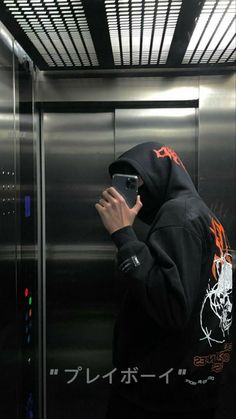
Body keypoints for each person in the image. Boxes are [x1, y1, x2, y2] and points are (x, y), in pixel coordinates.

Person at [95, 142, 233, 419]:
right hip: (194, 386)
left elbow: (171, 307)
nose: (132, 193)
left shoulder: (178, 216)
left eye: (135, 182)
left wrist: (124, 235)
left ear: (159, 177)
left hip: (157, 396)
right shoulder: (203, 216)